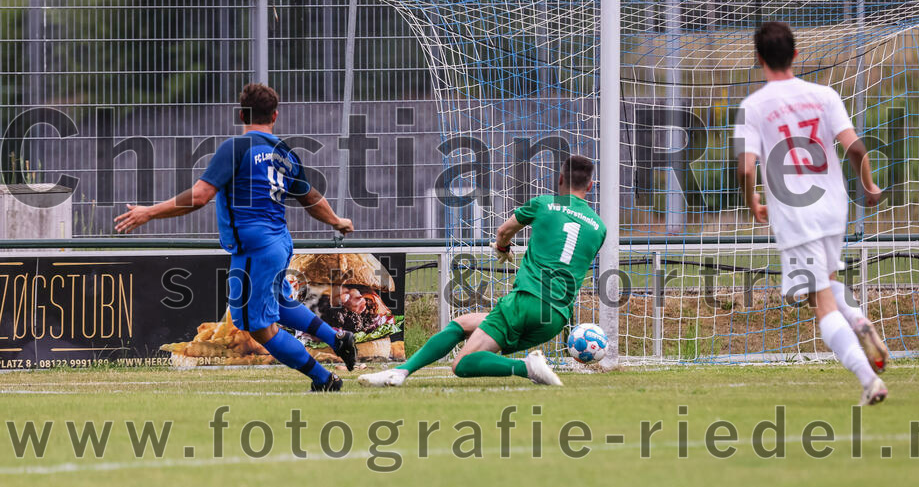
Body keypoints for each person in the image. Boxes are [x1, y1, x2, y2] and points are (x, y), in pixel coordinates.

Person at [115, 83, 357, 392]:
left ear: (241, 114)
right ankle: (336, 338)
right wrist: (337, 221)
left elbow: (201, 196)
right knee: (280, 303)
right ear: (275, 115)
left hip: (255, 250)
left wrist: (149, 212)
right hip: (280, 244)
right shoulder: (284, 152)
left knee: (260, 329)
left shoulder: (236, 148)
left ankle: (324, 380)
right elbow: (310, 197)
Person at [733, 21, 890, 406]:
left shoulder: (753, 106)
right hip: (833, 208)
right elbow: (854, 148)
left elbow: (747, 167)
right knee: (820, 290)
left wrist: (752, 200)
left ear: (758, 58)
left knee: (821, 306)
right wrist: (868, 186)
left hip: (794, 214)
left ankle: (869, 377)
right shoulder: (825, 94)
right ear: (796, 55)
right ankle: (856, 318)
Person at [358, 155, 606, 387]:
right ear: (591, 185)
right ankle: (400, 372)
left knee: (463, 364)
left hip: (526, 301)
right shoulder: (599, 228)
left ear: (560, 179)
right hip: (555, 318)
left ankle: (526, 367)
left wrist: (503, 248)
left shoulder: (544, 204)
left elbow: (503, 232)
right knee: (462, 324)